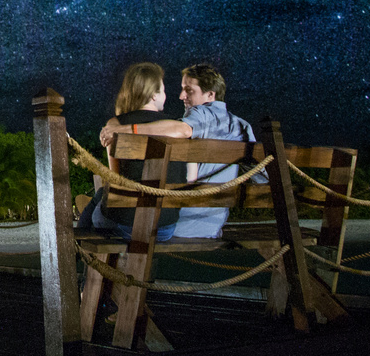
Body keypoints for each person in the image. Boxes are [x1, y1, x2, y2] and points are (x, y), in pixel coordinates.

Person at [97, 63, 255, 238]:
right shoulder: (243, 126)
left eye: (189, 90)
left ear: (211, 94)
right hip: (213, 226)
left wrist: (127, 130)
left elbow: (183, 130)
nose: (181, 96)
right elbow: (259, 174)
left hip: (179, 224)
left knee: (102, 196)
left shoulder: (198, 115)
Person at [85, 62, 182, 241]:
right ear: (153, 95)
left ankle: (77, 252)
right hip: (165, 228)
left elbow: (116, 179)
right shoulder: (177, 128)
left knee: (97, 203)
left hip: (126, 225)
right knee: (100, 198)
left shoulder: (115, 126)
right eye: (163, 90)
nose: (166, 95)